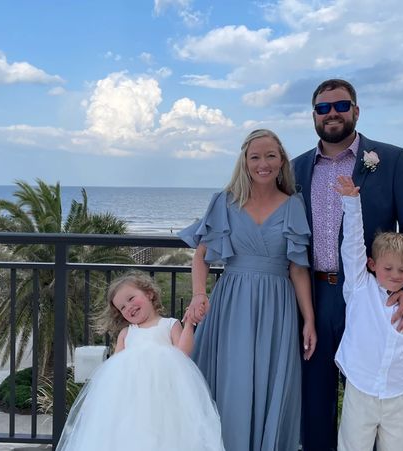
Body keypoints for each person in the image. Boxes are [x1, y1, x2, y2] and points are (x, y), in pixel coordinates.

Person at [292, 79, 403, 450]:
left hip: (371, 297)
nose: (332, 113)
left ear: (356, 110)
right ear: (314, 116)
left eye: (340, 105)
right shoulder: (296, 168)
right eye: (323, 108)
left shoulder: (391, 159)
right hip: (314, 297)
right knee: (316, 398)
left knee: (371, 399)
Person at [179, 128, 317, 451]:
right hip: (232, 304)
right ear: (244, 161)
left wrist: (308, 319)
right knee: (232, 384)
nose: (263, 163)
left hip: (277, 308)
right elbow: (201, 256)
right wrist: (200, 294)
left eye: (270, 155)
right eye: (255, 157)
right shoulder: (224, 202)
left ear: (281, 159)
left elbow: (297, 268)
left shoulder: (293, 205)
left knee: (271, 388)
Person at [334, 175, 403, 450]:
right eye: (388, 269)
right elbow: (352, 246)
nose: (396, 276)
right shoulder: (360, 288)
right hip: (360, 390)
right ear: (373, 264)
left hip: (398, 395)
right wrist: (351, 202)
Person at [56, 271, 224, 451]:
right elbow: (115, 369)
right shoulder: (127, 333)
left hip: (165, 395)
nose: (128, 307)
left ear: (149, 294)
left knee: (165, 435)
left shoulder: (169, 324)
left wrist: (189, 324)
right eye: (122, 307)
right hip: (132, 400)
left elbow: (182, 354)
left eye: (131, 298)